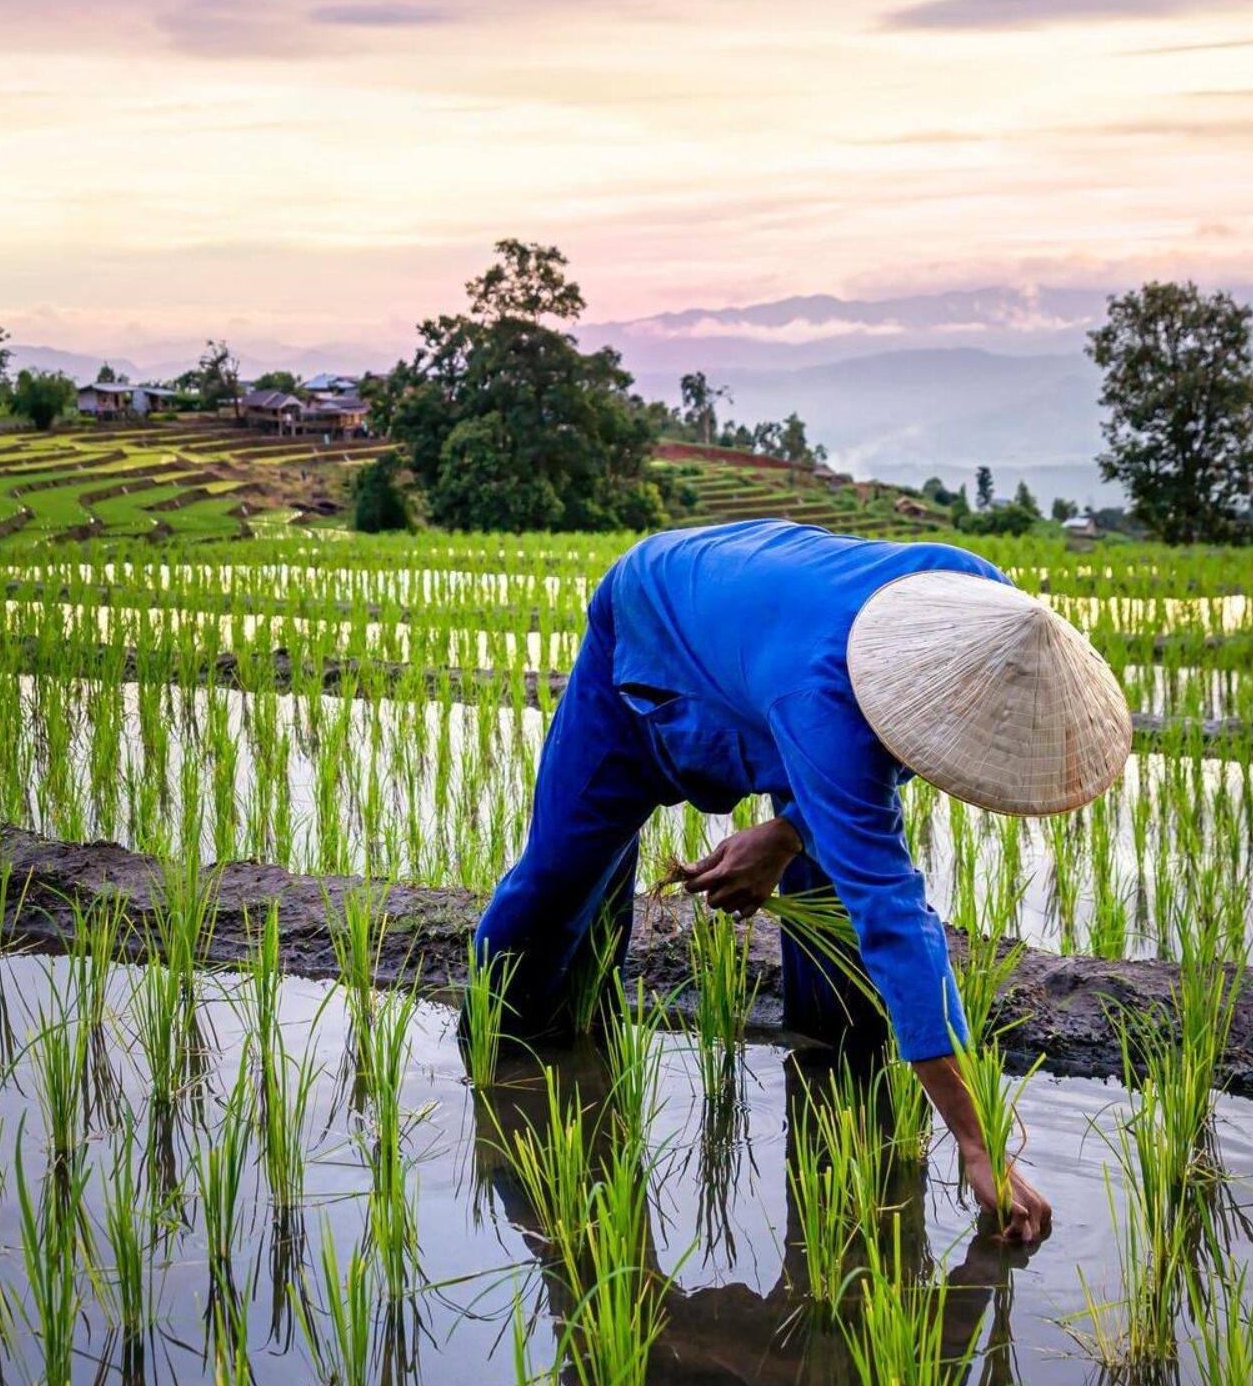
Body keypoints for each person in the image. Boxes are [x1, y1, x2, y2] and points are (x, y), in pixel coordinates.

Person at [473, 519, 1130, 1244]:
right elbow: (894, 917)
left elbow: (874, 765)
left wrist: (785, 835)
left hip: (774, 647)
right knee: (560, 885)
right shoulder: (822, 704)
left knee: (835, 905)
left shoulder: (980, 605)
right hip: (656, 618)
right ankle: (506, 1050)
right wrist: (980, 1146)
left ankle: (838, 1059)